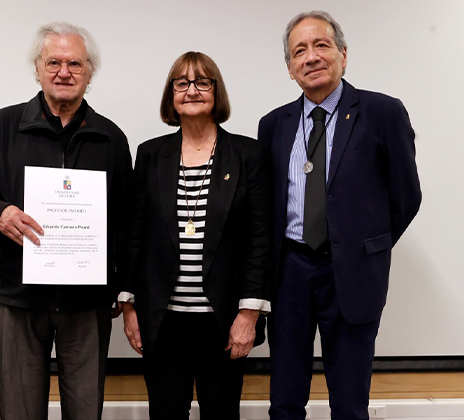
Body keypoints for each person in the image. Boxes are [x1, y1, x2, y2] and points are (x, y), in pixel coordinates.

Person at [0, 22, 132, 420]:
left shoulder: (110, 138)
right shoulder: (3, 126)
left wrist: (119, 285)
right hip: (18, 302)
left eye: (75, 64)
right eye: (54, 62)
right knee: (20, 414)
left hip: (86, 306)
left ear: (90, 72)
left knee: (85, 414)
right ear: (37, 68)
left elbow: (125, 220)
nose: (64, 72)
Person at [258, 11, 422, 420]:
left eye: (321, 45)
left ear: (343, 55)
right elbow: (266, 206)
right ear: (290, 68)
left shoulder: (382, 113)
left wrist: (362, 245)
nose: (311, 57)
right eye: (299, 51)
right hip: (289, 274)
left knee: (349, 404)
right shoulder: (273, 125)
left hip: (350, 275)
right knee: (284, 401)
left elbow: (406, 197)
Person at [119, 51, 272, 420]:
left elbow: (260, 238)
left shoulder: (247, 154)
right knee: (166, 412)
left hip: (223, 321)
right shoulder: (151, 155)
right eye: (182, 82)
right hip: (163, 319)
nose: (192, 90)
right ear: (171, 94)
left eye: (203, 82)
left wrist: (249, 314)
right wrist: (128, 306)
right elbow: (133, 234)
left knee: (221, 413)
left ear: (216, 92)